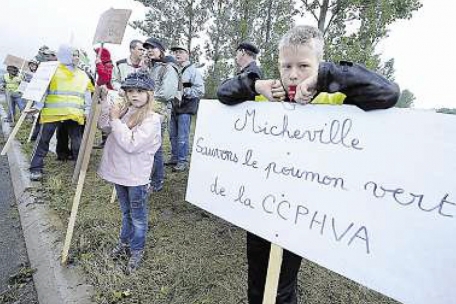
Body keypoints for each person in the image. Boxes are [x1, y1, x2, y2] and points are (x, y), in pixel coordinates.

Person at [217, 25, 400, 304]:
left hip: (300, 213)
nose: (292, 74)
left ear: (319, 64)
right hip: (258, 206)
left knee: (283, 287)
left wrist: (324, 79)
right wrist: (255, 85)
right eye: (286, 65)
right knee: (257, 280)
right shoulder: (267, 96)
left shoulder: (334, 97)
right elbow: (223, 93)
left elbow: (388, 93)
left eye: (304, 65)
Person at [97, 72, 161, 273]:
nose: (135, 95)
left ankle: (136, 250)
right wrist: (106, 101)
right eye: (130, 91)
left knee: (138, 217)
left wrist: (116, 120)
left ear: (149, 94)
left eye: (140, 91)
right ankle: (124, 243)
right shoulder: (125, 111)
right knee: (126, 213)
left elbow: (131, 144)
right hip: (120, 174)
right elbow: (105, 126)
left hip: (135, 177)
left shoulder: (152, 119)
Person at [28, 44, 93, 180]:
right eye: (74, 55)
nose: (76, 58)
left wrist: (87, 110)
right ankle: (35, 168)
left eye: (77, 55)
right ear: (65, 55)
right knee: (43, 140)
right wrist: (37, 107)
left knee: (77, 141)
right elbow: (43, 90)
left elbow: (87, 94)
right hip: (53, 113)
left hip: (74, 114)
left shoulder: (83, 74)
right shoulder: (52, 70)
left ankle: (79, 168)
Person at [143, 37, 179, 192]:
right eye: (147, 48)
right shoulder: (151, 68)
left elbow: (167, 93)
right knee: (147, 146)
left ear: (161, 50)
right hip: (147, 111)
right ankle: (148, 178)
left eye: (153, 47)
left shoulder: (168, 68)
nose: (150, 50)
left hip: (159, 114)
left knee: (155, 148)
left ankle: (157, 182)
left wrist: (146, 96)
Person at [166, 45, 205, 171]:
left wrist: (186, 92)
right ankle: (175, 157)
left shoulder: (192, 70)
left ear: (187, 54)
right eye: (176, 52)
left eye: (181, 52)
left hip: (186, 108)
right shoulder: (173, 69)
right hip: (174, 106)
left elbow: (200, 90)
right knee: (172, 134)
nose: (177, 55)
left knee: (183, 136)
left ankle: (182, 161)